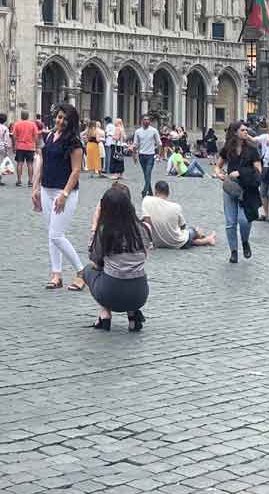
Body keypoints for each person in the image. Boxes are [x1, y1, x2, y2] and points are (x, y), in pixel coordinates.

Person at [33, 103, 86, 290]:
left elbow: (76, 171)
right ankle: (56, 274)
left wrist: (64, 194)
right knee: (51, 234)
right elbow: (42, 161)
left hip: (65, 192)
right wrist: (35, 187)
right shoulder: (48, 136)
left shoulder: (74, 143)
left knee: (56, 234)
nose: (60, 121)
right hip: (47, 189)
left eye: (65, 119)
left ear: (71, 122)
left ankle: (81, 272)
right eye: (59, 117)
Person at [84, 183, 149, 331]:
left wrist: (95, 227)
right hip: (140, 292)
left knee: (89, 271)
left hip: (111, 292)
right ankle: (132, 315)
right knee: (130, 271)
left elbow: (94, 260)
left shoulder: (105, 230)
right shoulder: (142, 229)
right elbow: (144, 255)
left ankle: (105, 314)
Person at [214, 121, 262, 263]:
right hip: (230, 188)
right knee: (230, 222)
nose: (246, 132)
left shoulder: (252, 149)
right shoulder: (228, 148)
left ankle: (245, 241)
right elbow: (218, 166)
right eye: (243, 130)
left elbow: (259, 171)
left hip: (247, 189)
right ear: (235, 132)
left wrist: (240, 172)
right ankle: (233, 251)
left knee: (244, 220)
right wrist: (219, 174)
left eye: (246, 130)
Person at [141, 181, 216, 248]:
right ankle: (205, 237)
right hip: (178, 241)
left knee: (186, 239)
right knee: (192, 230)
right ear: (168, 193)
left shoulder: (146, 200)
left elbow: (146, 221)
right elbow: (183, 226)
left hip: (156, 241)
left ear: (155, 191)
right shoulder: (176, 207)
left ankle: (207, 239)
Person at [10, 106, 39, 187]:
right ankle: (30, 181)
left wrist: (14, 146)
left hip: (20, 146)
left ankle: (19, 180)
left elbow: (14, 136)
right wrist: (36, 146)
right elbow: (36, 136)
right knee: (30, 164)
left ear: (21, 116)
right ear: (28, 116)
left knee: (19, 163)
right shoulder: (32, 124)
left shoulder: (17, 124)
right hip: (30, 147)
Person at [133, 115, 161, 197]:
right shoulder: (138, 131)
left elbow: (159, 143)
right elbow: (135, 144)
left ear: (150, 122)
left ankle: (144, 191)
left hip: (150, 155)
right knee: (146, 174)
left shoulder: (154, 131)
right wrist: (134, 155)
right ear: (142, 121)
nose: (146, 121)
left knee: (148, 172)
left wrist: (158, 154)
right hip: (141, 155)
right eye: (145, 119)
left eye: (148, 120)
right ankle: (151, 192)